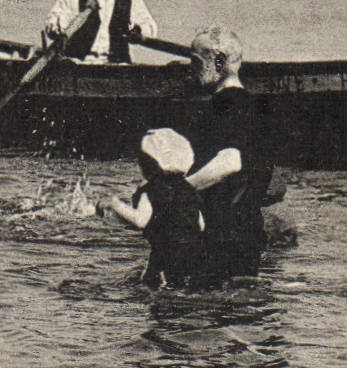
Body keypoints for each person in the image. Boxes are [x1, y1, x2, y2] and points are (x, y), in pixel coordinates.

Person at [183, 27, 267, 279]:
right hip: (244, 230)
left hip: (223, 235)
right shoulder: (251, 105)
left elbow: (230, 162)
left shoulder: (227, 103)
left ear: (219, 62)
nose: (190, 70)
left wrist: (175, 191)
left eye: (196, 62)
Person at [97, 128, 217, 290]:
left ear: (147, 165)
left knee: (157, 290)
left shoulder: (150, 190)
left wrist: (115, 204)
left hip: (166, 255)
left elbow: (141, 220)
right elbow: (200, 225)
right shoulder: (189, 189)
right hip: (197, 255)